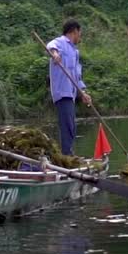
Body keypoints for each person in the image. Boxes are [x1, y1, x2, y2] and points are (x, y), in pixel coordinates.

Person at [46, 20, 92, 156]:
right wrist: (55, 54)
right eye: (79, 33)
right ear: (74, 31)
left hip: (71, 93)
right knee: (67, 125)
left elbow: (77, 76)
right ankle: (67, 155)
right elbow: (50, 45)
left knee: (71, 126)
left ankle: (69, 153)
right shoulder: (61, 42)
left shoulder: (75, 52)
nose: (80, 36)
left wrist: (83, 93)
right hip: (62, 91)